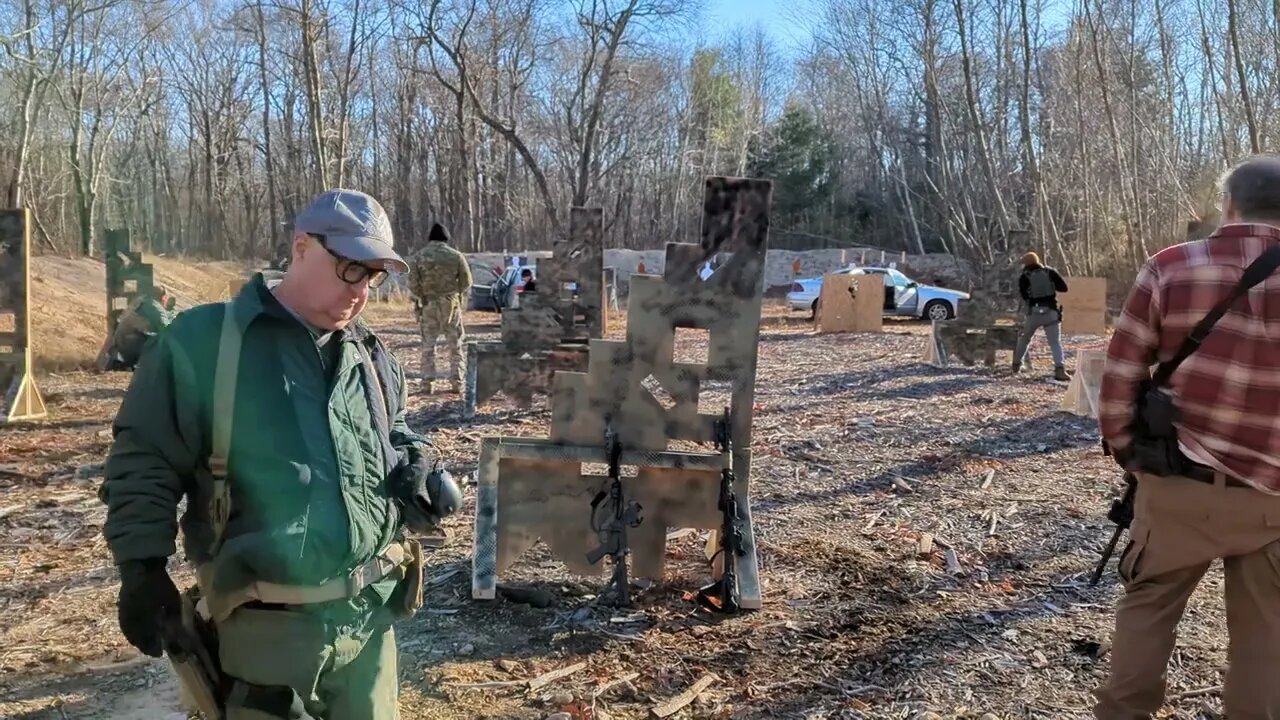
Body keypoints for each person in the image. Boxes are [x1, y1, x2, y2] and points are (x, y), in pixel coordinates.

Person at [100, 188, 461, 720]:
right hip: (265, 632)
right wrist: (141, 566)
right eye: (350, 269)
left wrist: (417, 464)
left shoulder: (370, 354)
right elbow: (145, 458)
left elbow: (396, 432)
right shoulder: (207, 343)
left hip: (369, 623)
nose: (362, 290)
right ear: (301, 248)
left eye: (374, 274)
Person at [1093, 154, 1280, 719]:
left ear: (1229, 205)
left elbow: (1121, 375)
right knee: (1266, 642)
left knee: (1146, 611)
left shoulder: (1170, 266)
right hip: (1274, 498)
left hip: (1178, 481)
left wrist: (1133, 457)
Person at [408, 222, 472, 394]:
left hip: (428, 305)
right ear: (446, 239)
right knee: (455, 345)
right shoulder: (456, 256)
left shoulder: (418, 257)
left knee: (428, 346)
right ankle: (457, 383)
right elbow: (467, 282)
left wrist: (423, 296)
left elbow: (412, 284)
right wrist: (454, 293)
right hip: (451, 304)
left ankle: (427, 384)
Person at [1011, 251, 1070, 381]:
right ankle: (1060, 370)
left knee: (1025, 339)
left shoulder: (1024, 277)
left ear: (1026, 264)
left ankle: (1016, 365)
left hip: (1034, 313)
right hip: (1051, 312)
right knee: (1055, 342)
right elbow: (1064, 288)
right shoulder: (1050, 272)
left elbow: (1024, 296)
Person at [107, 284, 175, 370]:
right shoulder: (155, 307)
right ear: (163, 298)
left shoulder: (140, 301)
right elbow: (169, 331)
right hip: (131, 347)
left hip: (120, 344)